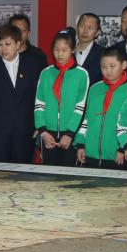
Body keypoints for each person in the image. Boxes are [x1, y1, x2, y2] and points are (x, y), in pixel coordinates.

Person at [0, 24, 39, 163]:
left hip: (25, 130)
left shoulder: (32, 65)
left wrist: (38, 125)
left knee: (22, 171)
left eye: (7, 44)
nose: (3, 48)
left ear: (18, 44)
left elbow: (37, 98)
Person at [34, 31, 89, 167]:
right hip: (48, 134)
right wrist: (43, 132)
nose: (59, 54)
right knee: (48, 174)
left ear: (72, 50)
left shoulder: (82, 74)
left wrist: (70, 134)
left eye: (64, 50)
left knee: (69, 174)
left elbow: (80, 107)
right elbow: (39, 104)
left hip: (70, 135)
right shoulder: (46, 73)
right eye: (56, 50)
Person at [75, 47, 127, 168]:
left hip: (117, 156)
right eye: (103, 66)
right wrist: (80, 144)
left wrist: (123, 148)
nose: (108, 71)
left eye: (112, 66)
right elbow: (86, 119)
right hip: (90, 154)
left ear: (124, 65)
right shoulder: (94, 89)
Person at [73, 12, 104, 84]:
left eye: (90, 28)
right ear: (77, 28)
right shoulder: (67, 50)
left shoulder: (103, 54)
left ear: (97, 32)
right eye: (82, 26)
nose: (85, 31)